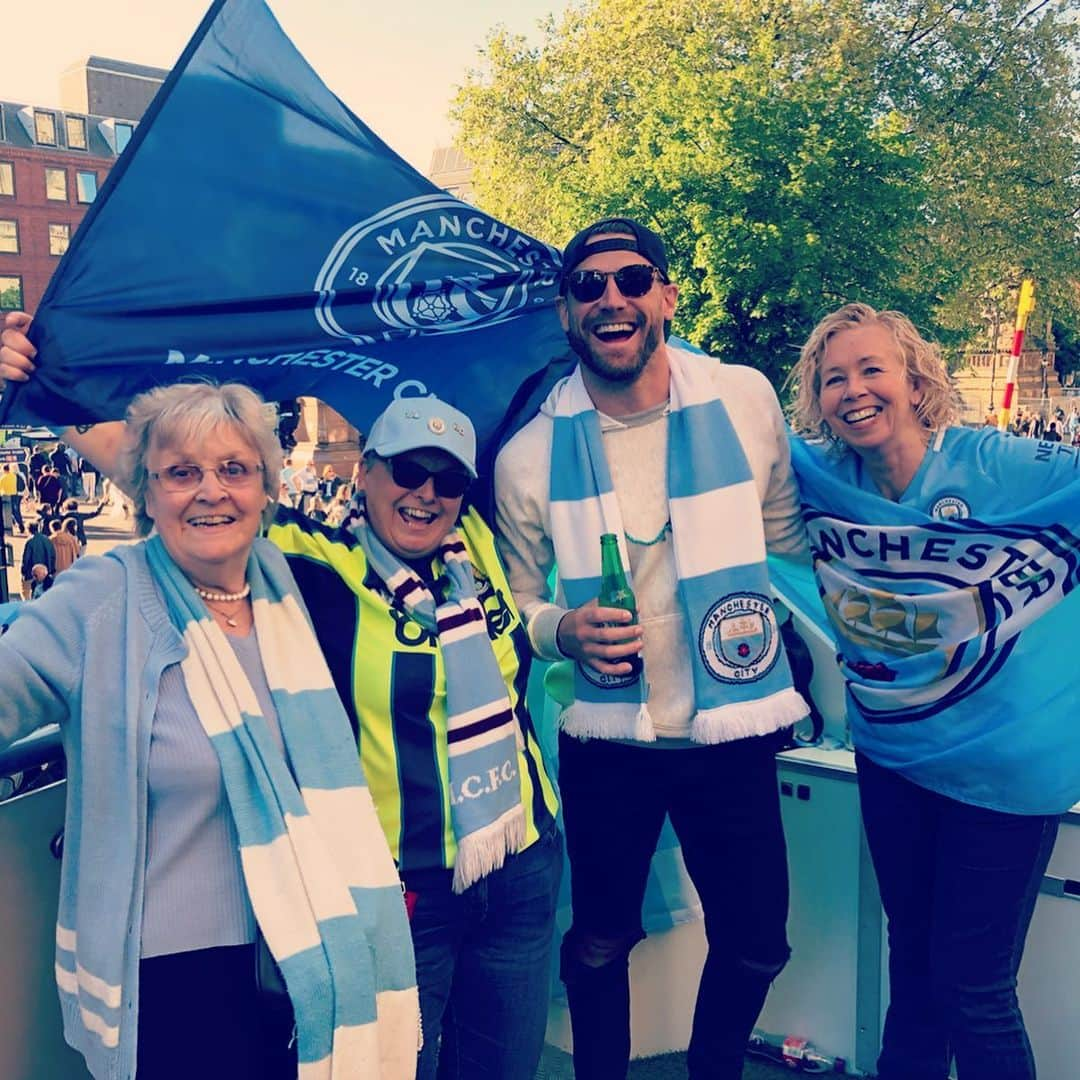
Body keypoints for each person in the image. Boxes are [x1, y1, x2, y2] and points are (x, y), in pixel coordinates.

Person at [0, 314, 560, 1080]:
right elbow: (168, 464)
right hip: (398, 886)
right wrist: (40, 386)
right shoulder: (312, 567)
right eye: (407, 470)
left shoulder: (478, 551)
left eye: (449, 479)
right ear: (364, 472)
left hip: (516, 859)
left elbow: (528, 629)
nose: (427, 493)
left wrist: (563, 631)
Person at [0, 379, 418, 1080]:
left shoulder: (301, 595)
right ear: (147, 490)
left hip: (307, 964)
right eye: (182, 472)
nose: (210, 491)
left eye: (233, 469)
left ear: (265, 485)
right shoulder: (101, 602)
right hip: (171, 981)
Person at [494, 216, 808, 1080]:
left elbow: (791, 537)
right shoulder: (525, 458)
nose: (613, 299)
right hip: (607, 739)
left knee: (756, 943)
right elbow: (513, 601)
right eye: (589, 287)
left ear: (666, 294)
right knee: (598, 941)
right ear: (566, 314)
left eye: (633, 279)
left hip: (734, 723)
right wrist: (563, 627)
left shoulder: (744, 399)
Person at [788, 301, 1080, 1080]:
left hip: (1006, 772)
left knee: (973, 985)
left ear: (916, 382)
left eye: (872, 368)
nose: (853, 390)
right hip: (894, 758)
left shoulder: (999, 464)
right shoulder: (816, 475)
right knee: (911, 967)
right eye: (832, 378)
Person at [20, 520, 54, 599]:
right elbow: (53, 555)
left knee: (28, 593)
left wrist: (23, 571)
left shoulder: (30, 541)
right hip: (45, 572)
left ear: (29, 529)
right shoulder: (47, 539)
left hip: (32, 573)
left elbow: (26, 559)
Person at [0, 462, 25, 534]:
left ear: (4, 470)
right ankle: (21, 525)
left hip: (7, 496)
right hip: (15, 495)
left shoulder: (3, 478)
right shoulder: (14, 476)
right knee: (16, 511)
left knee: (8, 512)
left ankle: (9, 528)